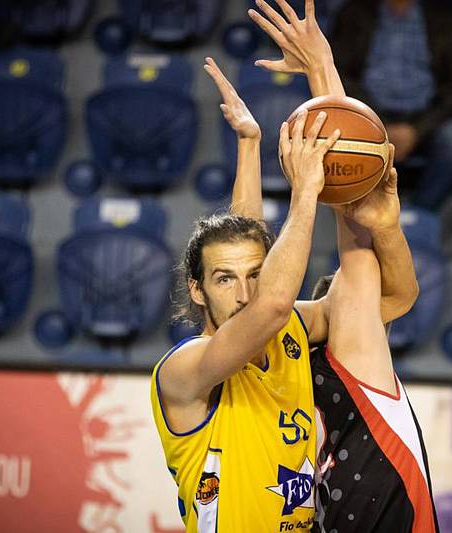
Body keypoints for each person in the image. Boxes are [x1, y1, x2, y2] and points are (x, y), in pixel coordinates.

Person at [250, 1, 437, 530]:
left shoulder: (348, 338)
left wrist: (321, 71)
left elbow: (347, 166)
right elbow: (265, 295)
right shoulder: (257, 336)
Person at [150, 108, 341, 531]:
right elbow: (267, 307)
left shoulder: (289, 327)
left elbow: (251, 250)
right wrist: (306, 193)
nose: (243, 293)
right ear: (196, 289)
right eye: (223, 280)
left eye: (255, 276)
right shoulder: (185, 368)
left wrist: (249, 143)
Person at [325, 0, 452, 211]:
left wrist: (417, 130)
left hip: (425, 117)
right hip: (367, 115)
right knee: (332, 137)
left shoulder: (442, 17)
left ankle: (421, 213)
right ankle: (361, 210)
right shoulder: (354, 13)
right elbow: (339, 75)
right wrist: (378, 124)